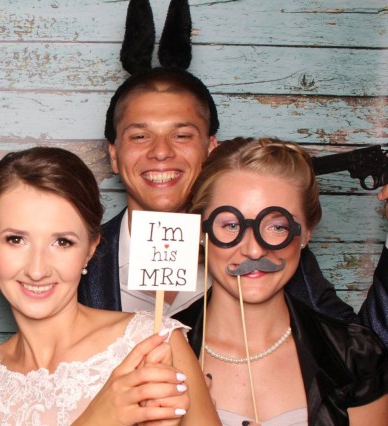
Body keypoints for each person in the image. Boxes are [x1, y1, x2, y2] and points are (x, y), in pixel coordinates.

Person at [0, 147, 248, 426]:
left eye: (62, 242)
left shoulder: (152, 344)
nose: (38, 269)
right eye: (16, 239)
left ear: (91, 248)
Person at [78, 0, 363, 332]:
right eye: (140, 136)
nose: (161, 152)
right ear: (114, 155)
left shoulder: (266, 248)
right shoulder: (82, 258)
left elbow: (360, 348)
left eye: (182, 135)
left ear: (211, 148)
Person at [176, 138, 388, 426]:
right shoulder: (159, 351)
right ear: (202, 232)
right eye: (230, 225)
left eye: (276, 226)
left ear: (305, 233)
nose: (253, 249)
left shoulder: (353, 353)